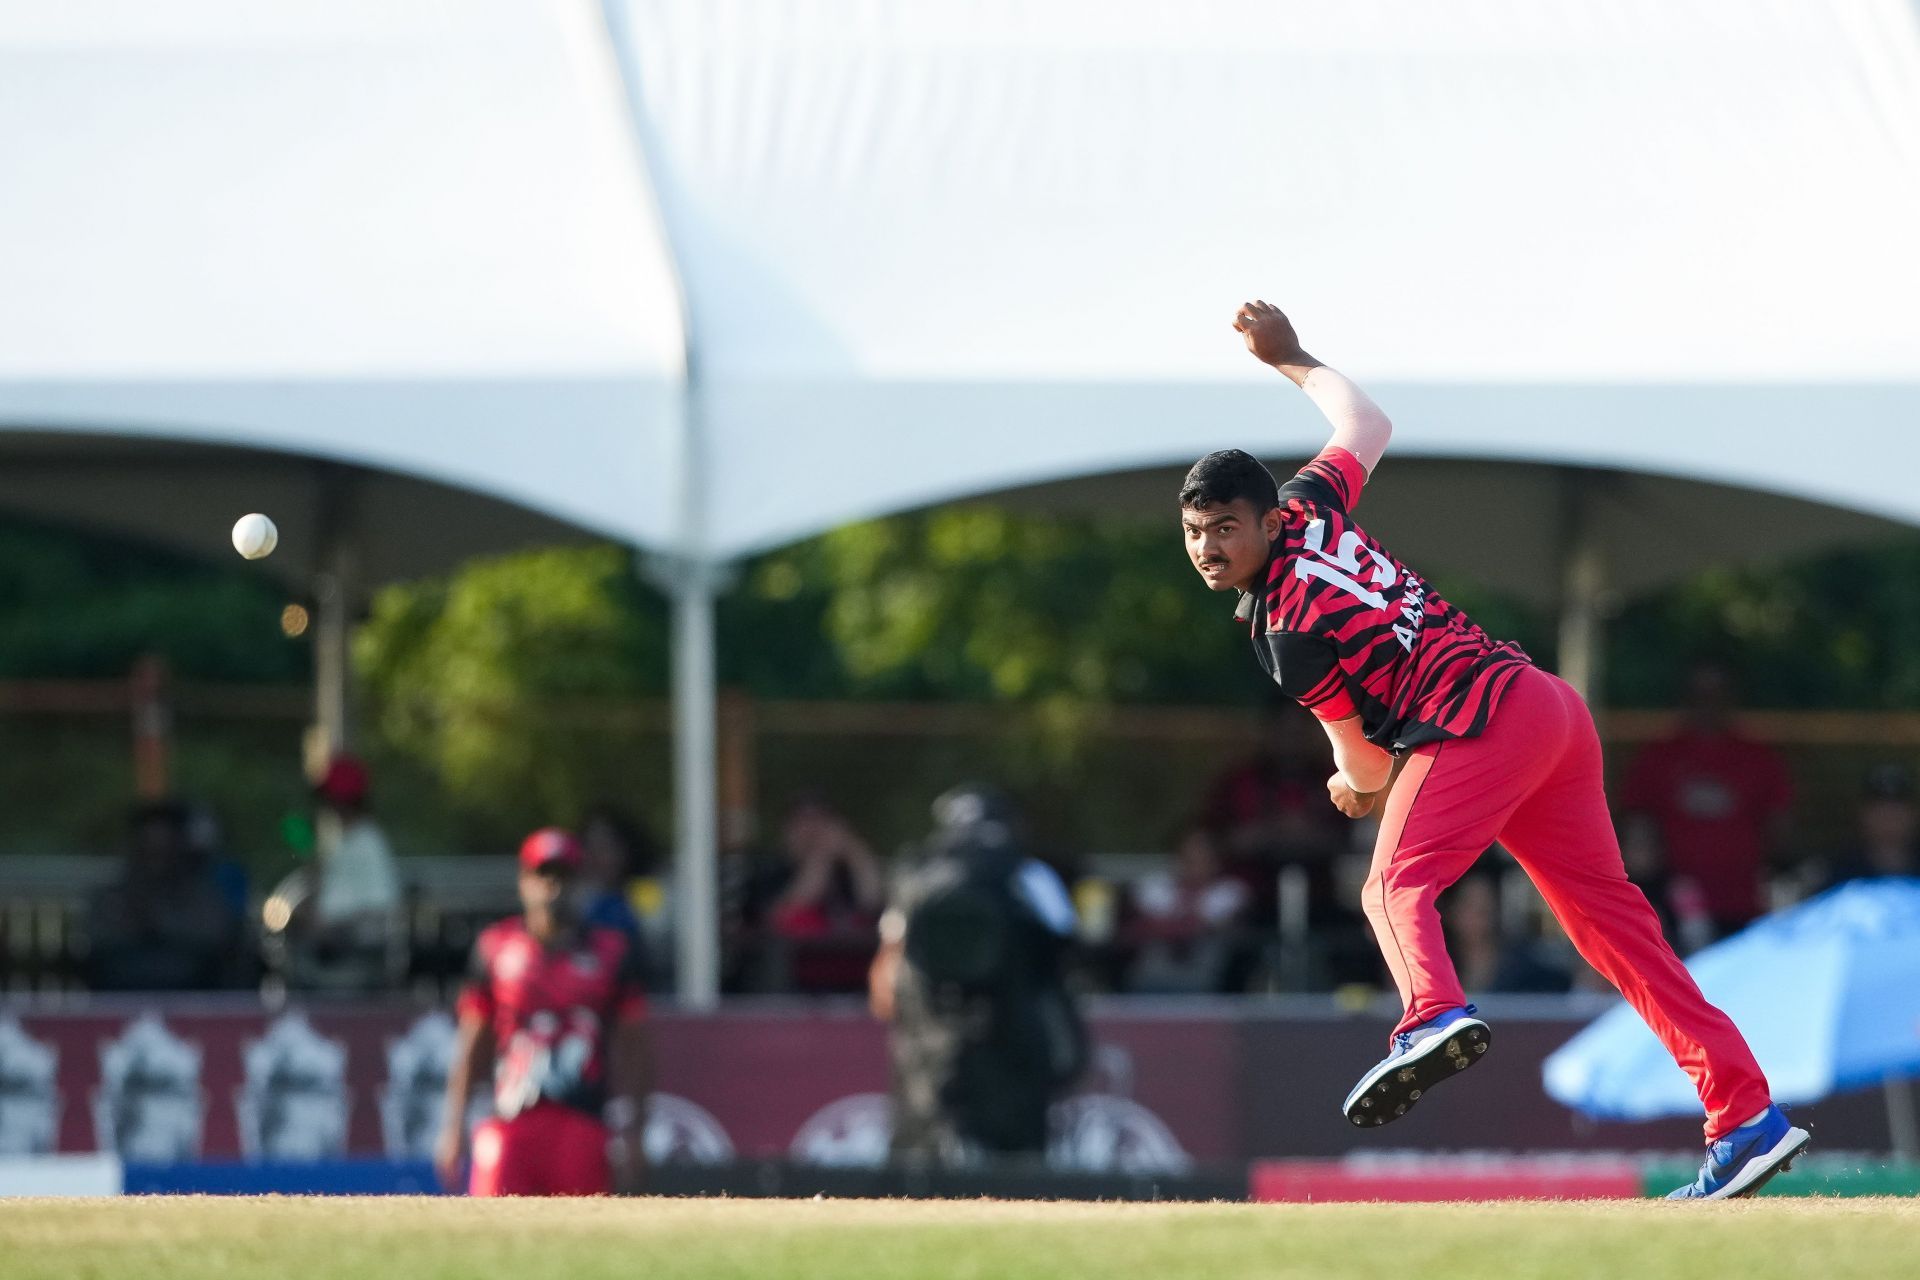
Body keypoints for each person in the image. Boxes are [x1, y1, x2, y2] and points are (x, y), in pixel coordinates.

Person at [1179, 299, 1805, 1200]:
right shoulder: (1313, 500)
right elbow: (1366, 421)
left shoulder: (1284, 627)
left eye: (1225, 528)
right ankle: (1746, 1118)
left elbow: (1364, 764)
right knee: (1618, 938)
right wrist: (1291, 357)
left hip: (1477, 720)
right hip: (1548, 710)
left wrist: (1346, 787)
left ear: (1268, 523)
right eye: (1196, 533)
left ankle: (1430, 1014)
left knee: (1391, 886)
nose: (1208, 549)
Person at [868, 784, 1086, 1167]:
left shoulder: (915, 877)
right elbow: (1068, 956)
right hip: (1014, 1049)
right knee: (1022, 1182)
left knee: (920, 1182)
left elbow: (885, 983)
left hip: (929, 1053)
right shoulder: (1032, 875)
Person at [436, 827, 652, 1197]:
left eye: (565, 877)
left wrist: (634, 1130)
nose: (554, 887)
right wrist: (453, 1125)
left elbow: (636, 1047)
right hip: (511, 1120)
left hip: (581, 1123)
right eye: (544, 875)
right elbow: (474, 1041)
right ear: (524, 881)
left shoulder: (612, 951)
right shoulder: (495, 947)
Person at [1622, 663, 1794, 938]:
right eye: (1698, 696)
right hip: (1671, 907)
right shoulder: (1659, 757)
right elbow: (1637, 827)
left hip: (1743, 904)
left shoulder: (1757, 757)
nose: (1708, 705)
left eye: (1717, 695)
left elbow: (1780, 829)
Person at [86, 800, 244, 991]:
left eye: (164, 850)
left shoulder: (203, 897)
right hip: (121, 1000)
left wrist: (159, 922)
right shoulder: (111, 898)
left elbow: (218, 936)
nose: (157, 859)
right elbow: (97, 941)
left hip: (192, 1001)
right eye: (149, 850)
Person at [300, 755, 402, 987]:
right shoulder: (342, 840)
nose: (327, 805)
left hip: (357, 960)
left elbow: (381, 907)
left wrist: (330, 926)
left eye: (331, 798)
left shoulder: (368, 841)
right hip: (332, 954)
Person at [1119, 826, 1255, 994]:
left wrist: (1163, 926)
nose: (1193, 864)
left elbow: (1217, 928)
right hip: (1148, 980)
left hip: (1209, 982)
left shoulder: (1231, 892)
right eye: (1187, 857)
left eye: (1201, 857)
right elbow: (1131, 931)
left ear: (1215, 861)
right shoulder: (1152, 886)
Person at [1820, 764, 1920, 888]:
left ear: (1914, 813)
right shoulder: (1834, 873)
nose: (1889, 817)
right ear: (1862, 813)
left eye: (1897, 809)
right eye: (1880, 809)